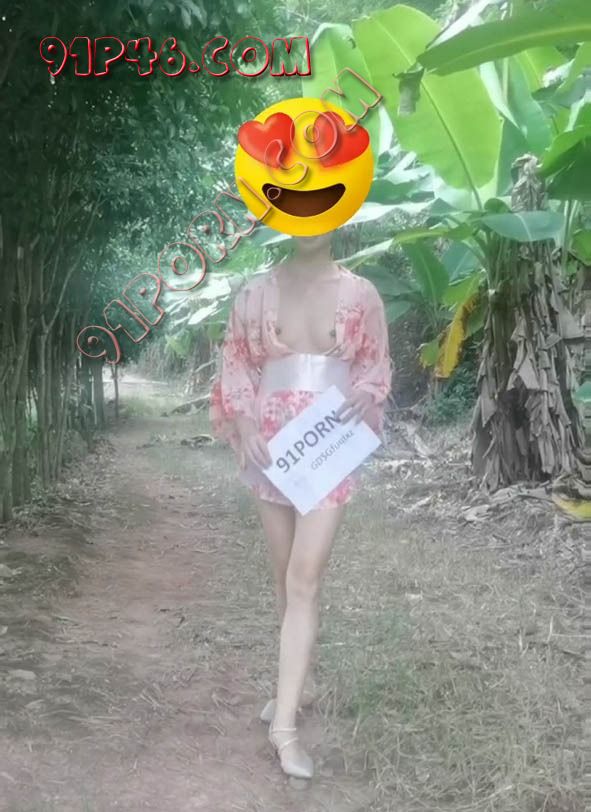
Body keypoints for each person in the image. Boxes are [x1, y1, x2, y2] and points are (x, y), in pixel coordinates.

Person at [209, 230, 391, 779]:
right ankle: (301, 684)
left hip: (329, 446)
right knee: (284, 576)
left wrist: (366, 392)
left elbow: (375, 367)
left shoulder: (361, 294)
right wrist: (244, 422)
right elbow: (236, 364)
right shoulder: (254, 294)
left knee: (304, 579)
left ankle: (284, 728)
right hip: (271, 447)